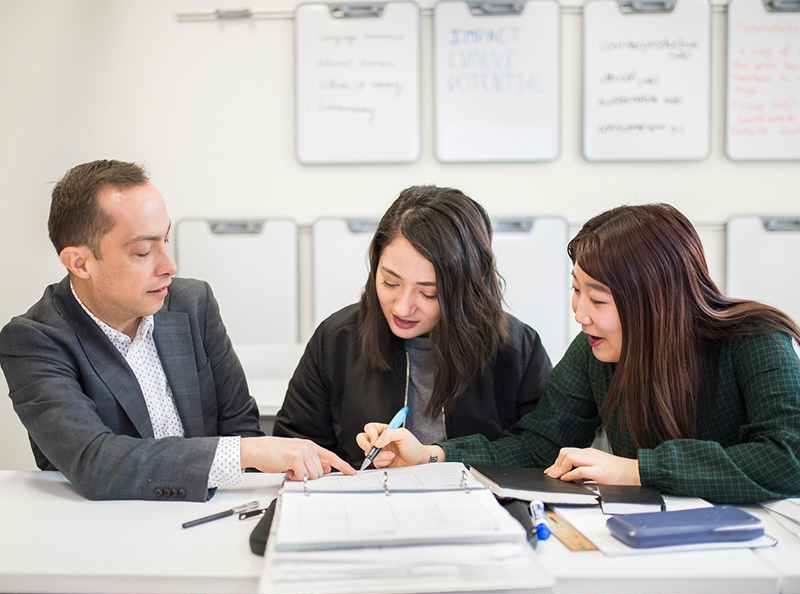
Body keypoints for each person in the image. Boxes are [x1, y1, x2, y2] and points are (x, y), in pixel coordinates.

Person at [357, 203, 800, 504]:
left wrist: (637, 470)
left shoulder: (756, 339)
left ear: (654, 303)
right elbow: (538, 445)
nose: (580, 314)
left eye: (598, 300)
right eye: (575, 290)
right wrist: (432, 455)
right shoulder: (595, 351)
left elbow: (788, 458)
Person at [0, 159, 354, 502]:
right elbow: (95, 461)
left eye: (165, 240)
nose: (169, 266)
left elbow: (238, 422)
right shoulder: (34, 341)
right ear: (80, 263)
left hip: (214, 513)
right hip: (106, 531)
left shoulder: (192, 302)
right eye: (142, 252)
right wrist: (246, 452)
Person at [273, 185, 552, 467]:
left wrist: (435, 457)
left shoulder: (517, 349)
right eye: (390, 283)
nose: (402, 307)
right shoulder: (337, 340)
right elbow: (293, 448)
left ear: (467, 291)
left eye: (429, 293)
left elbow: (542, 450)